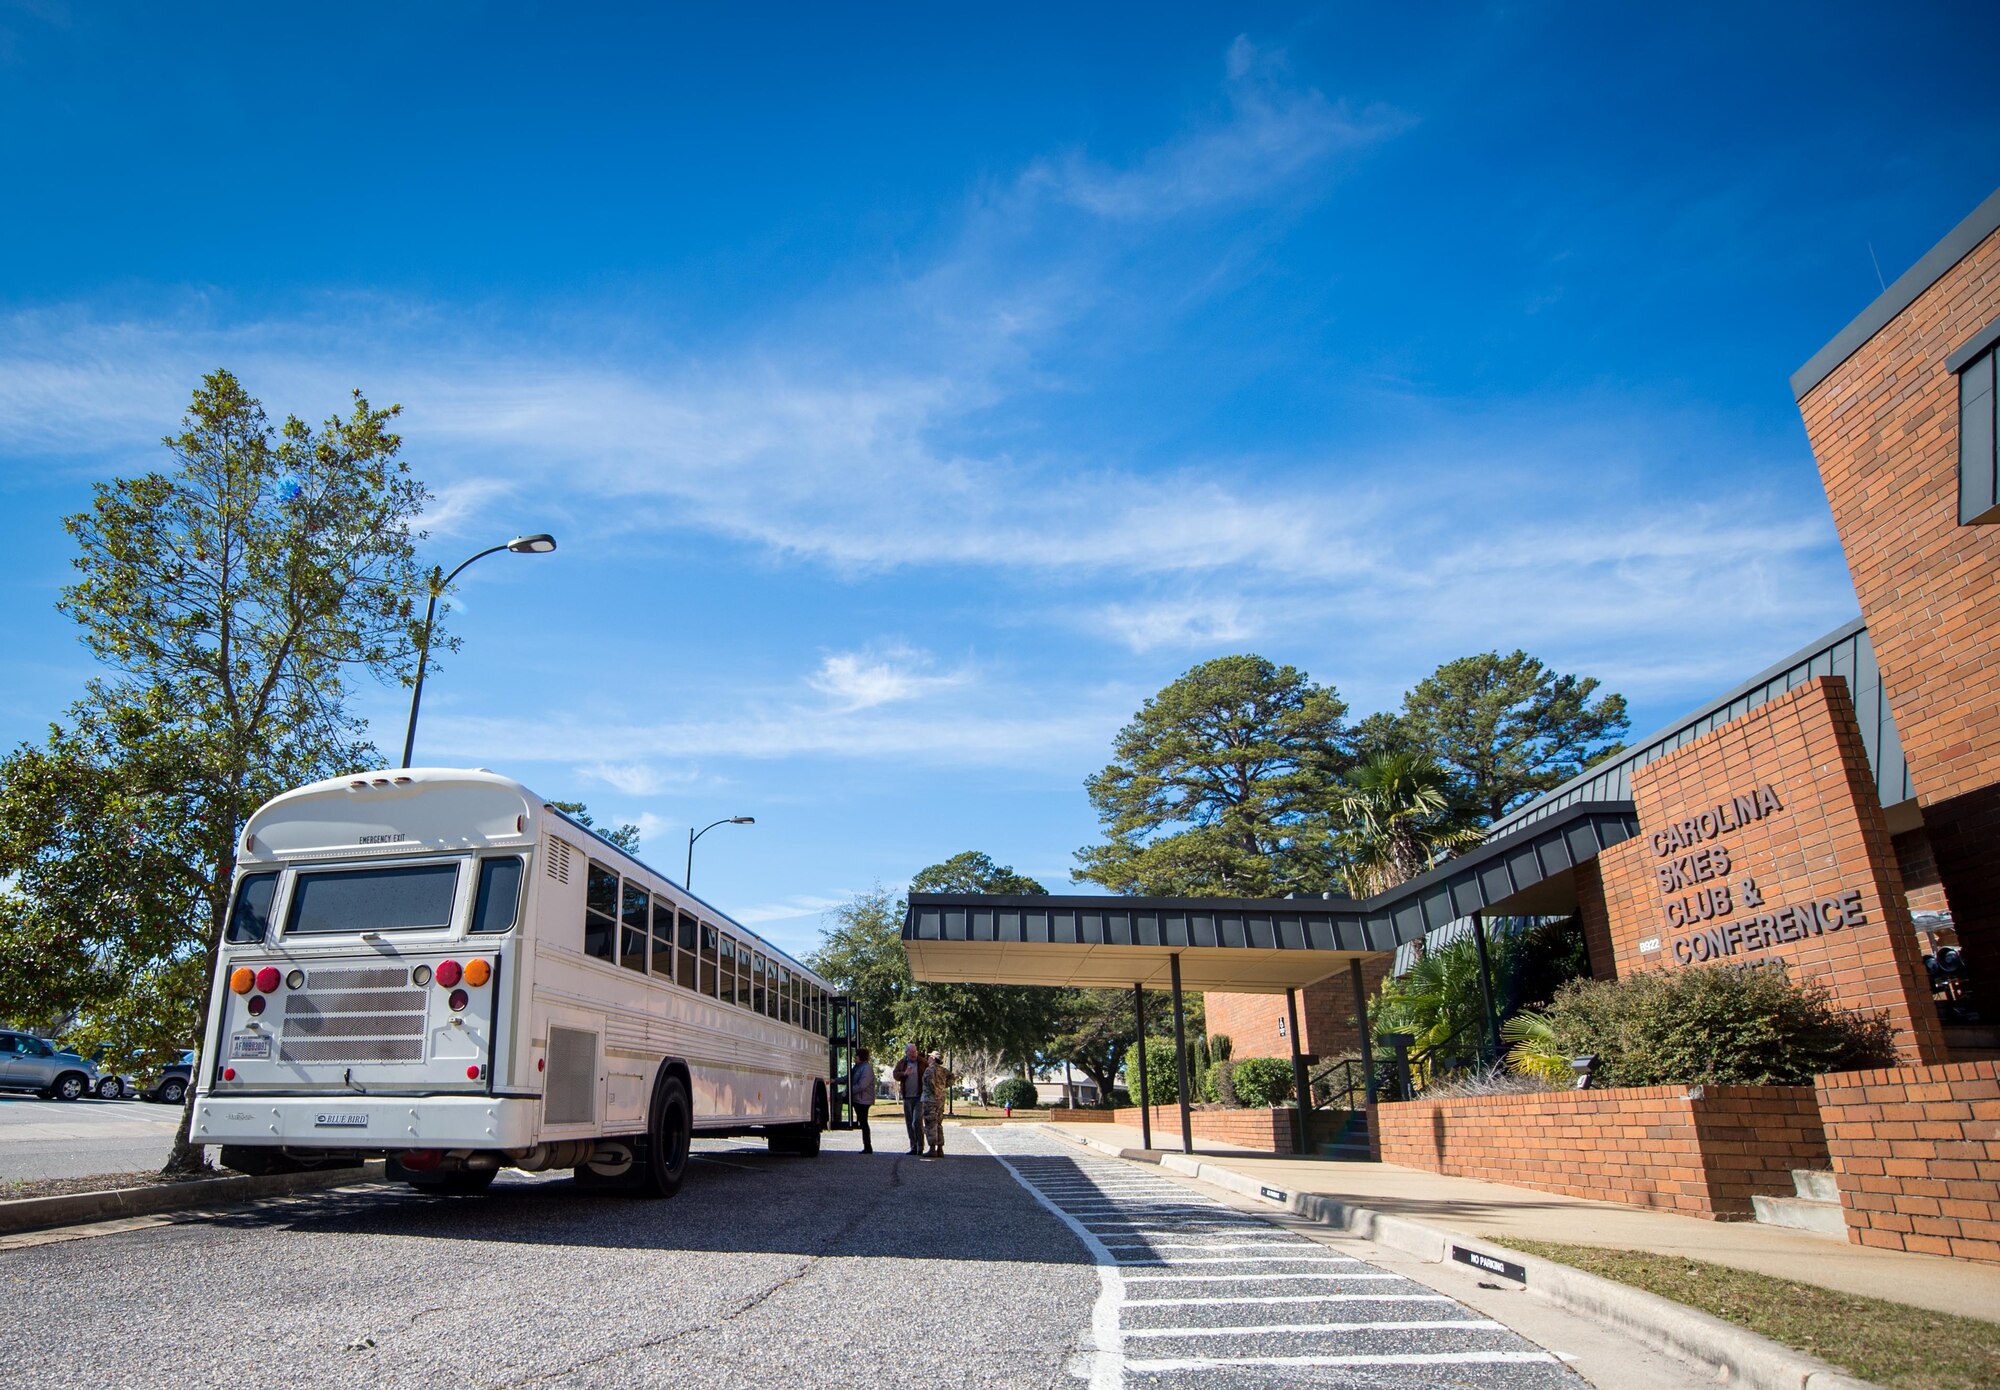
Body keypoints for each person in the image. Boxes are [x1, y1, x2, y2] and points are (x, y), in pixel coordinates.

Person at [890, 1042, 925, 1155]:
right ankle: (913, 1147)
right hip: (907, 1097)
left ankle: (920, 1146)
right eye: (911, 1052)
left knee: (917, 1121)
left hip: (919, 1097)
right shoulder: (902, 1063)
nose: (914, 1054)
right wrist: (904, 1073)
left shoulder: (922, 1062)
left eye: (915, 1052)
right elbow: (895, 1074)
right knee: (909, 1123)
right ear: (906, 1053)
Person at [921, 1050, 953, 1157]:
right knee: (938, 1123)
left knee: (930, 1123)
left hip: (930, 1100)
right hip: (940, 1100)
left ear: (933, 1058)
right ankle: (940, 1148)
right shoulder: (944, 1071)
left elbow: (929, 1083)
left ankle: (932, 1148)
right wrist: (943, 1086)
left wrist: (935, 1090)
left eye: (930, 1057)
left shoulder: (929, 1070)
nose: (928, 1058)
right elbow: (952, 1077)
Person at [849, 1047, 877, 1154]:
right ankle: (867, 1145)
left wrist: (848, 1092)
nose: (855, 1058)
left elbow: (862, 1085)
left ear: (860, 1057)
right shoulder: (857, 1067)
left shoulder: (866, 1069)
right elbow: (849, 1077)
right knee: (863, 1121)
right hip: (859, 1098)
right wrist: (835, 1080)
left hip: (863, 1100)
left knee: (864, 1122)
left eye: (856, 1056)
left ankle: (868, 1146)